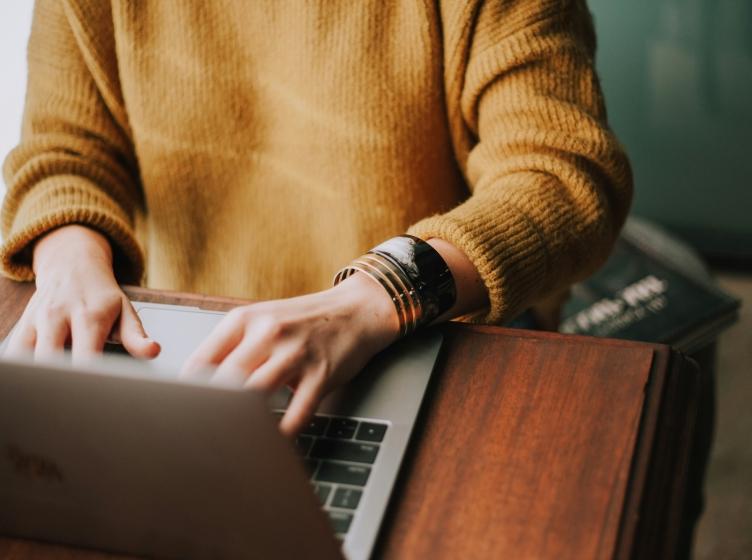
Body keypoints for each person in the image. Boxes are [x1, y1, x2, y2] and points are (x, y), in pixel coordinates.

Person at [0, 0, 632, 437]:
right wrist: (68, 257)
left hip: (427, 333)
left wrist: (380, 294)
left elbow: (564, 176)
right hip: (189, 352)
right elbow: (64, 150)